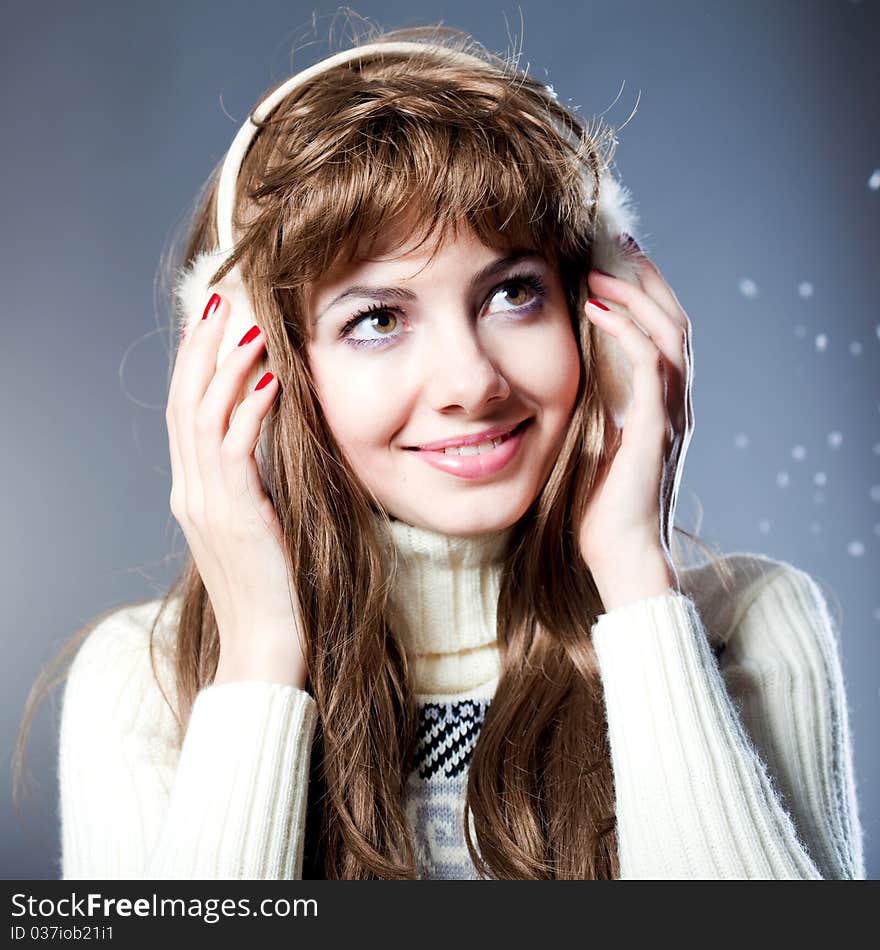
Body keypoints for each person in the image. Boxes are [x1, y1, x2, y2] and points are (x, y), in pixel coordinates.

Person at [16, 24, 865, 880]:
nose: (472, 381)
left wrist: (637, 587)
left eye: (511, 293)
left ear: (596, 308)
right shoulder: (147, 682)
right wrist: (263, 659)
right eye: (377, 319)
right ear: (256, 364)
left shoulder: (750, 627)